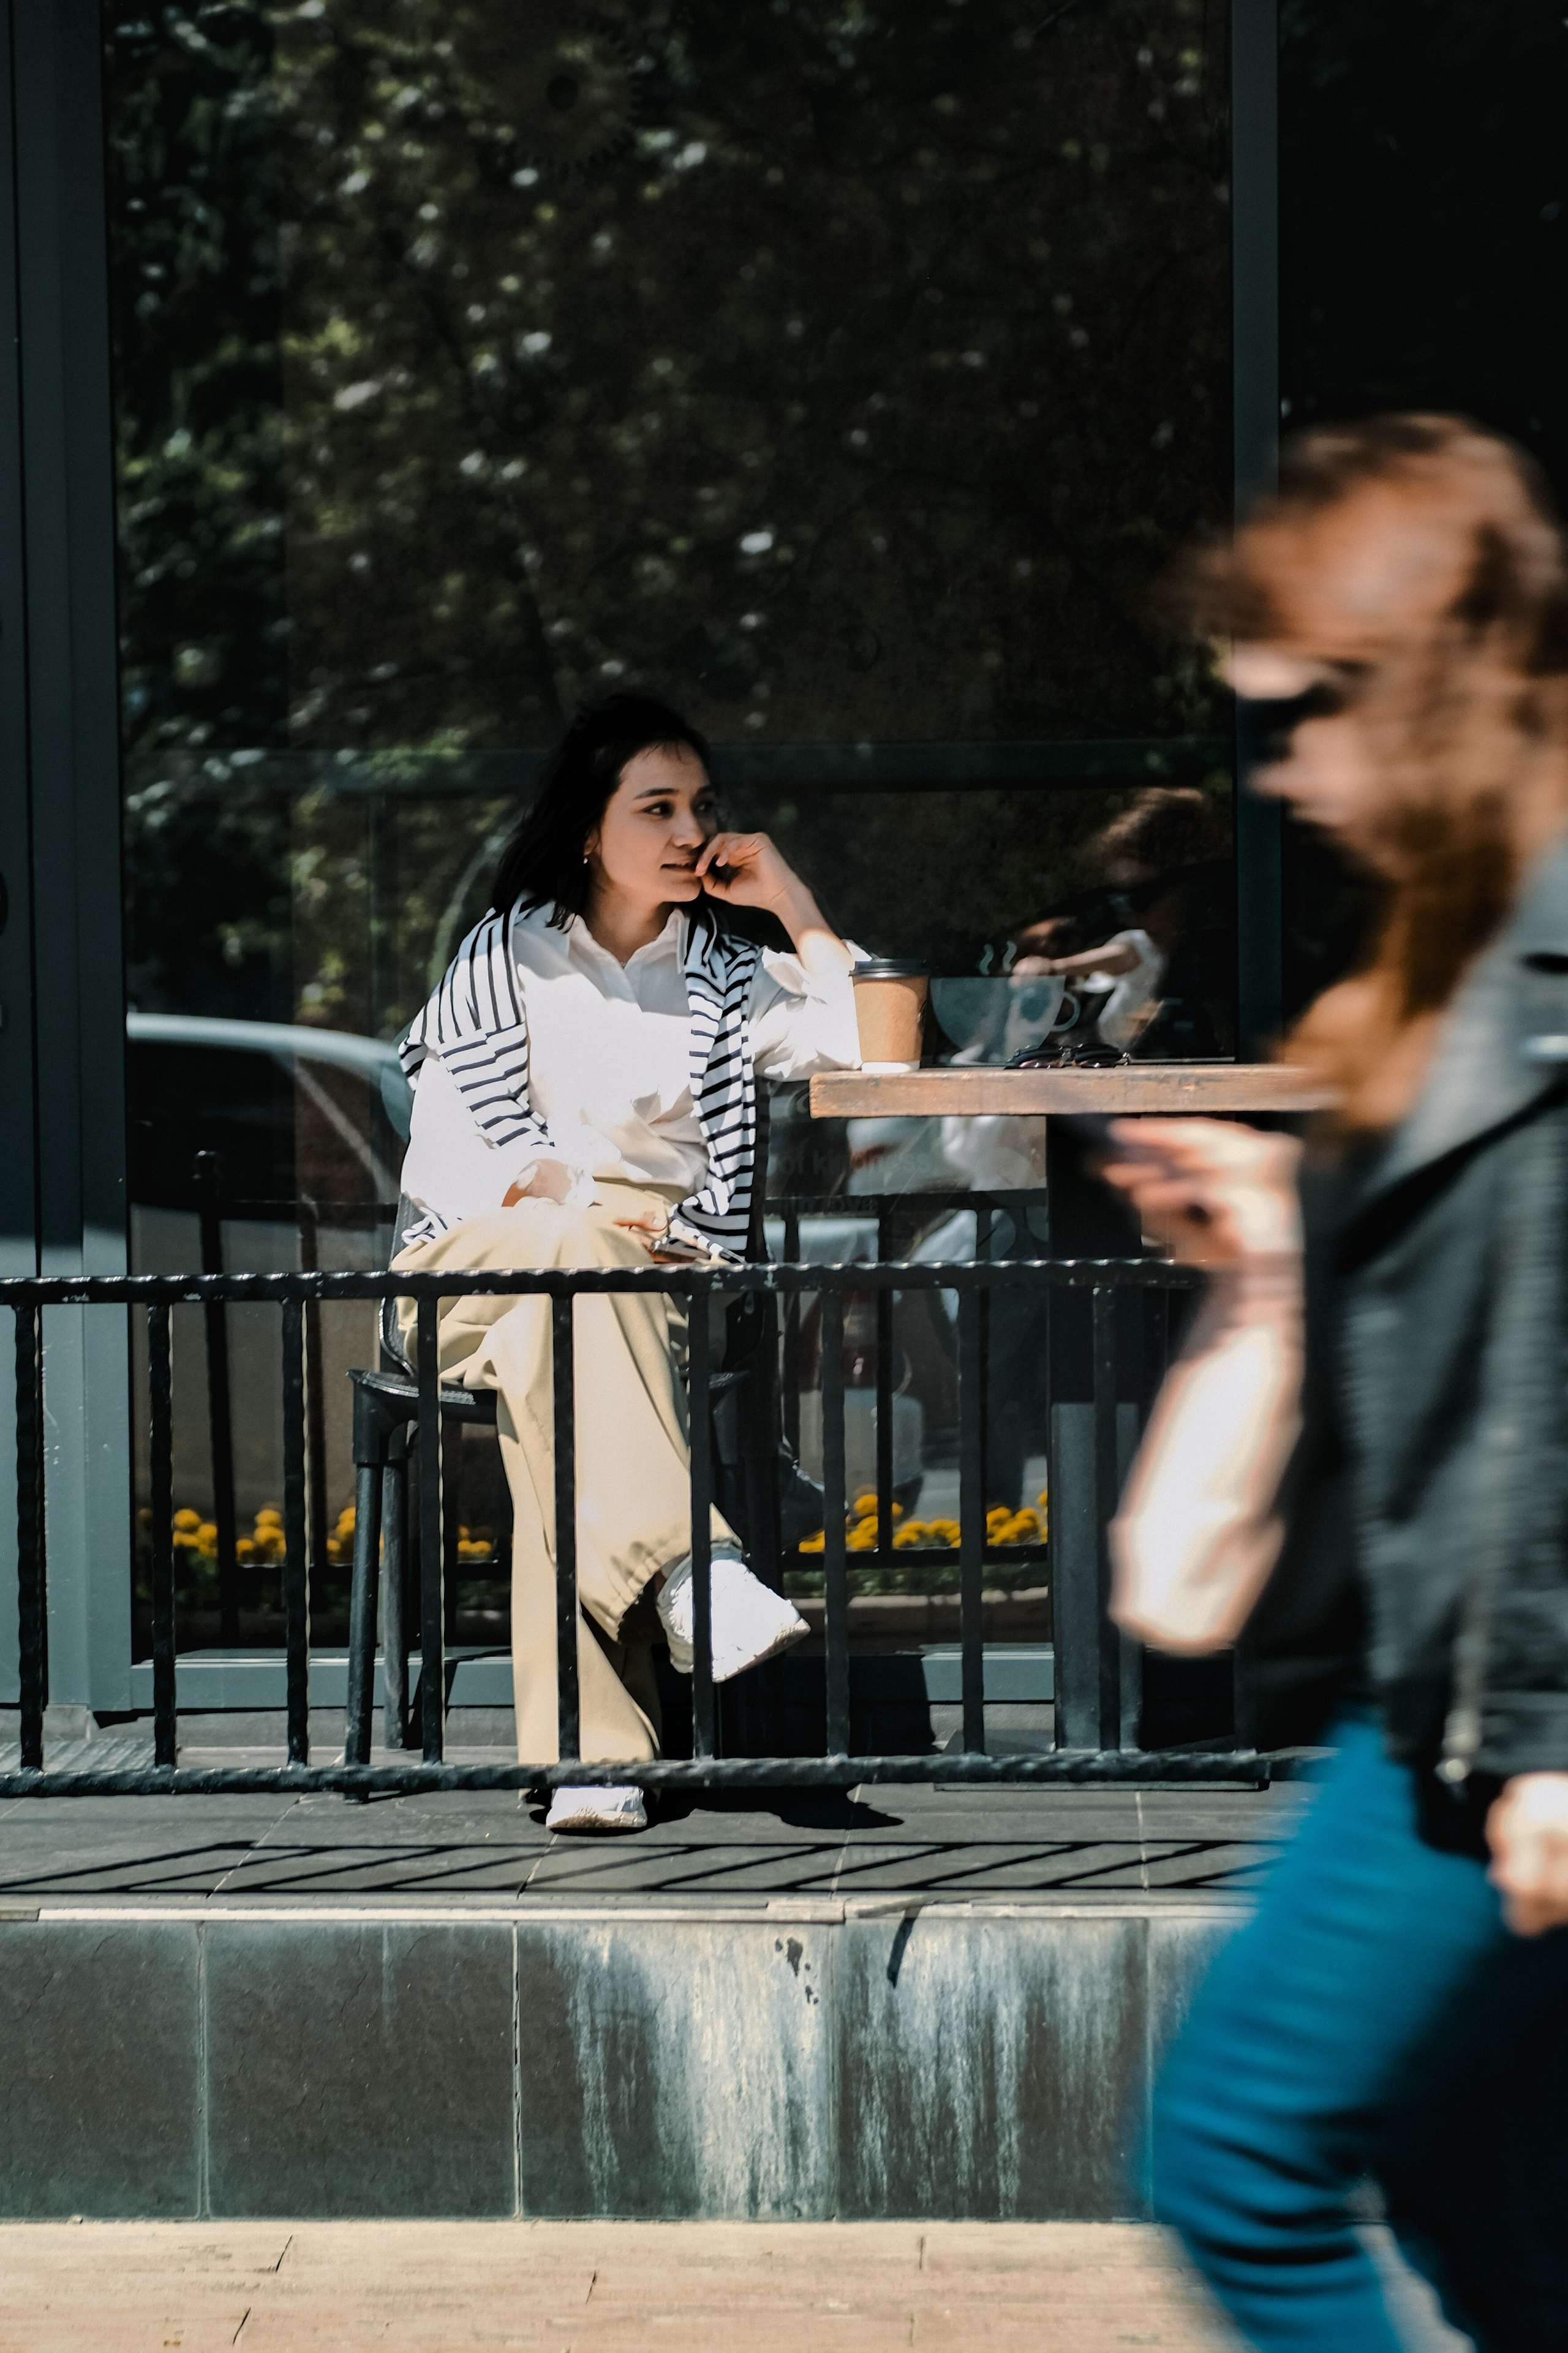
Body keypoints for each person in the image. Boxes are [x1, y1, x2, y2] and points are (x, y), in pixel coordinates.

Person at [1104, 416, 1568, 2351]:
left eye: (1300, 712)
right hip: (1462, 1694)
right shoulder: (1458, 956)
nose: (1277, 771)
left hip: (1493, 1728)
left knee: (1238, 2159)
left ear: (1425, 679)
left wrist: (1548, 1733)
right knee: (1486, 2192)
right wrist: (1285, 1231)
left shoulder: (1545, 970)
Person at [393, 693, 860, 1834]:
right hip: (469, 1266)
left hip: (646, 1290)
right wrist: (601, 1220)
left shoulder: (723, 971)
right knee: (570, 1262)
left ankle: (596, 1756)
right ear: (589, 828)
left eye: (701, 804)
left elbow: (859, 1043)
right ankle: (692, 1568)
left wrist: (788, 899)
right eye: (656, 805)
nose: (690, 826)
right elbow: (466, 1165)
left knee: (568, 1347)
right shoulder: (500, 961)